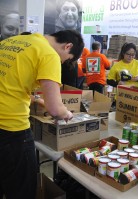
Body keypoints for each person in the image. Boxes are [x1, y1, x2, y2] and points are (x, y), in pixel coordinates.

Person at [0, 29, 84, 199]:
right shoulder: (49, 54)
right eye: (66, 60)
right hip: (11, 130)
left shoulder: (11, 42)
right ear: (68, 46)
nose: (61, 63)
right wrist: (67, 113)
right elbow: (55, 110)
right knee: (23, 189)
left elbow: (9, 84)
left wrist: (37, 100)